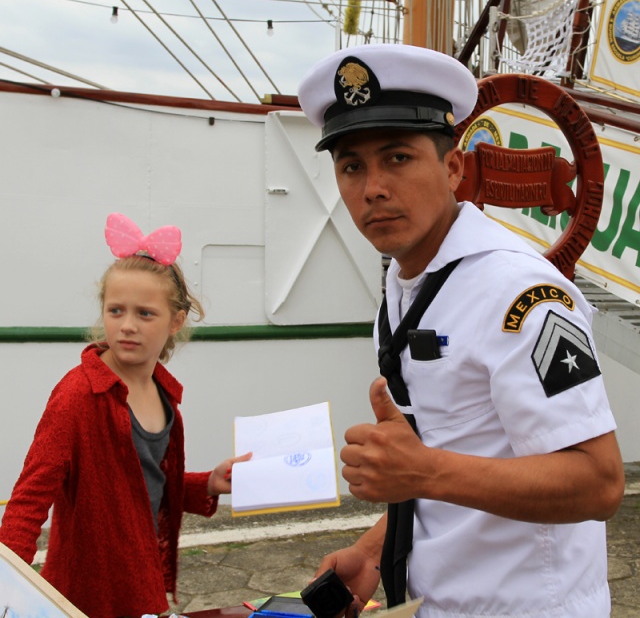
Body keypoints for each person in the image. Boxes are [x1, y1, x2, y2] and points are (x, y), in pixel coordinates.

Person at [297, 43, 625, 618]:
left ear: (452, 169)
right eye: (351, 166)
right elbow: (454, 449)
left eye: (397, 158)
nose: (372, 187)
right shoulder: (409, 287)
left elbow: (599, 484)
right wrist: (372, 553)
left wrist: (421, 470)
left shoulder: (520, 293)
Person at [0, 213, 251, 618]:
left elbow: (142, 482)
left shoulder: (163, 393)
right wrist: (7, 589)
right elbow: (29, 498)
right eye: (116, 311)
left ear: (176, 322)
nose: (127, 326)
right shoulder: (78, 394)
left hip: (141, 581)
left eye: (145, 314)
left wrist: (207, 483)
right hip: (85, 593)